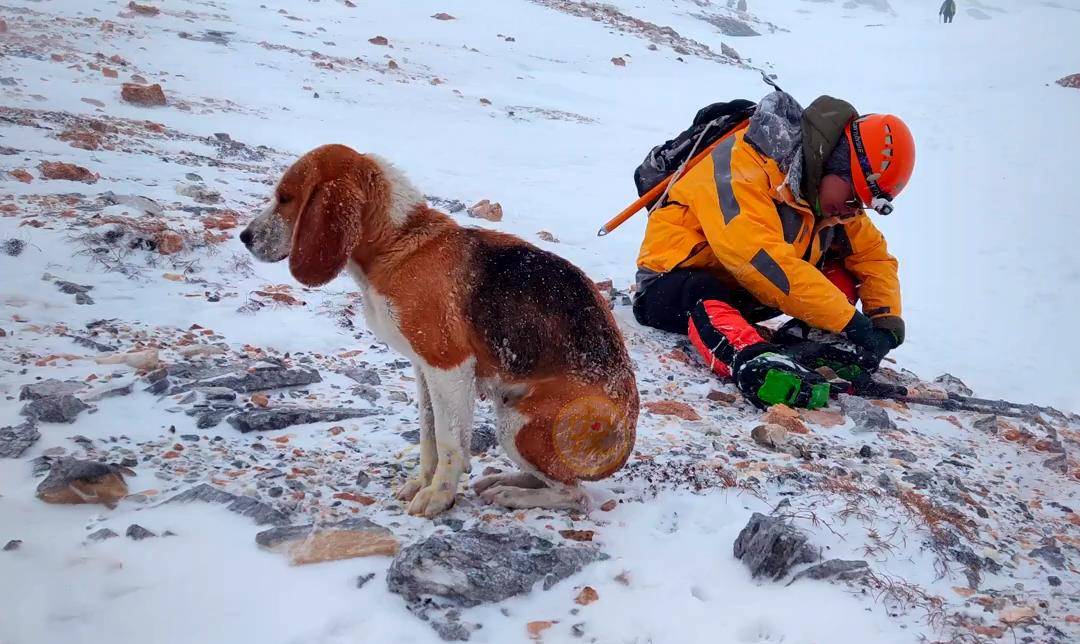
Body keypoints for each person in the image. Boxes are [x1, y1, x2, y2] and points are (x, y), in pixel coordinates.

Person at [633, 90, 915, 409]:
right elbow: (761, 261)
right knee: (702, 290)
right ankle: (753, 360)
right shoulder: (738, 165)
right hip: (669, 287)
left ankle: (806, 345)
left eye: (862, 205)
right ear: (833, 165)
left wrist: (885, 321)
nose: (853, 211)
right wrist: (851, 323)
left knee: (843, 268)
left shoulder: (828, 199)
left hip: (749, 294)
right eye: (854, 198)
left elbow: (871, 256)